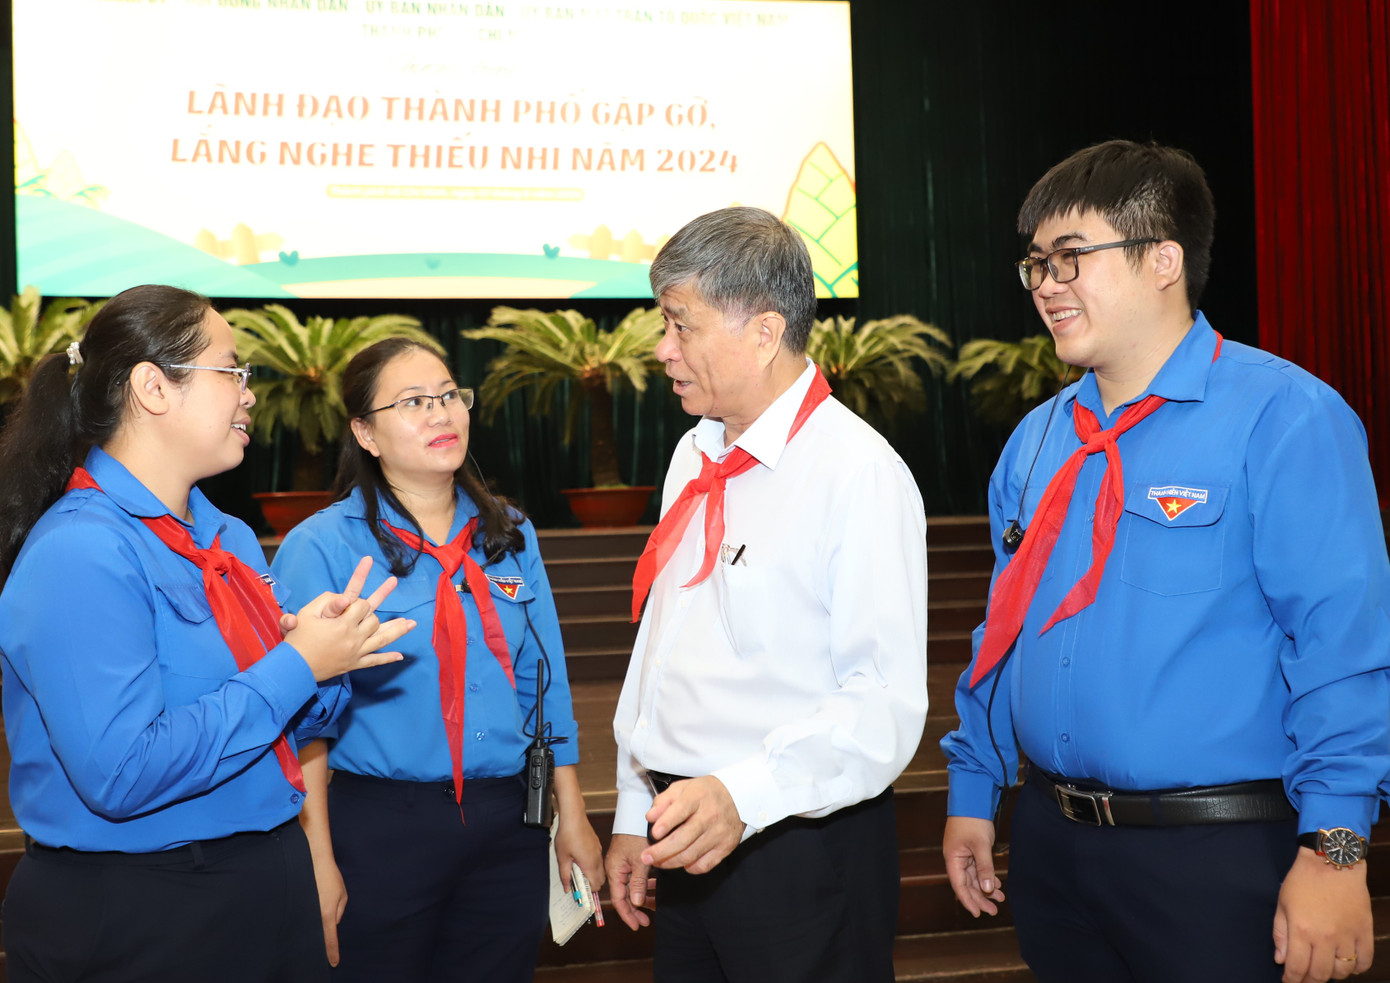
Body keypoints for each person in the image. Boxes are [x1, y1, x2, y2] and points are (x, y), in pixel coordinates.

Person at [941, 140, 1390, 983]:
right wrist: (974, 789)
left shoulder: (1286, 416)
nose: (1046, 283)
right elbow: (1002, 632)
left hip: (1216, 856)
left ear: (1163, 260)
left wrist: (1335, 849)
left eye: (1071, 256)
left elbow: (1343, 647)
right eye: (1036, 263)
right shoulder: (1037, 441)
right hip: (1052, 847)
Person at [0, 284, 413, 983]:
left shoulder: (229, 537)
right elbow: (122, 773)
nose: (249, 396)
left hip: (261, 874)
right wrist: (295, 665)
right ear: (153, 388)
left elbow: (281, 722)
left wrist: (328, 657)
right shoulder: (81, 549)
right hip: (142, 907)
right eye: (231, 371)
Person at [603, 206, 929, 983]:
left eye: (681, 324)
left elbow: (881, 704)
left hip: (796, 846)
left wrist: (741, 794)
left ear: (763, 331)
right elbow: (663, 646)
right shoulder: (695, 452)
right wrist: (632, 808)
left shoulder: (857, 472)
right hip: (685, 832)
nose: (663, 348)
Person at [270, 336, 603, 983]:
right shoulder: (322, 546)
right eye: (414, 401)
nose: (441, 413)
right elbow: (300, 719)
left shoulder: (510, 532)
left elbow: (544, 682)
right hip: (382, 829)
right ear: (365, 432)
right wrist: (317, 855)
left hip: (509, 822)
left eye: (450, 395)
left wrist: (573, 813)